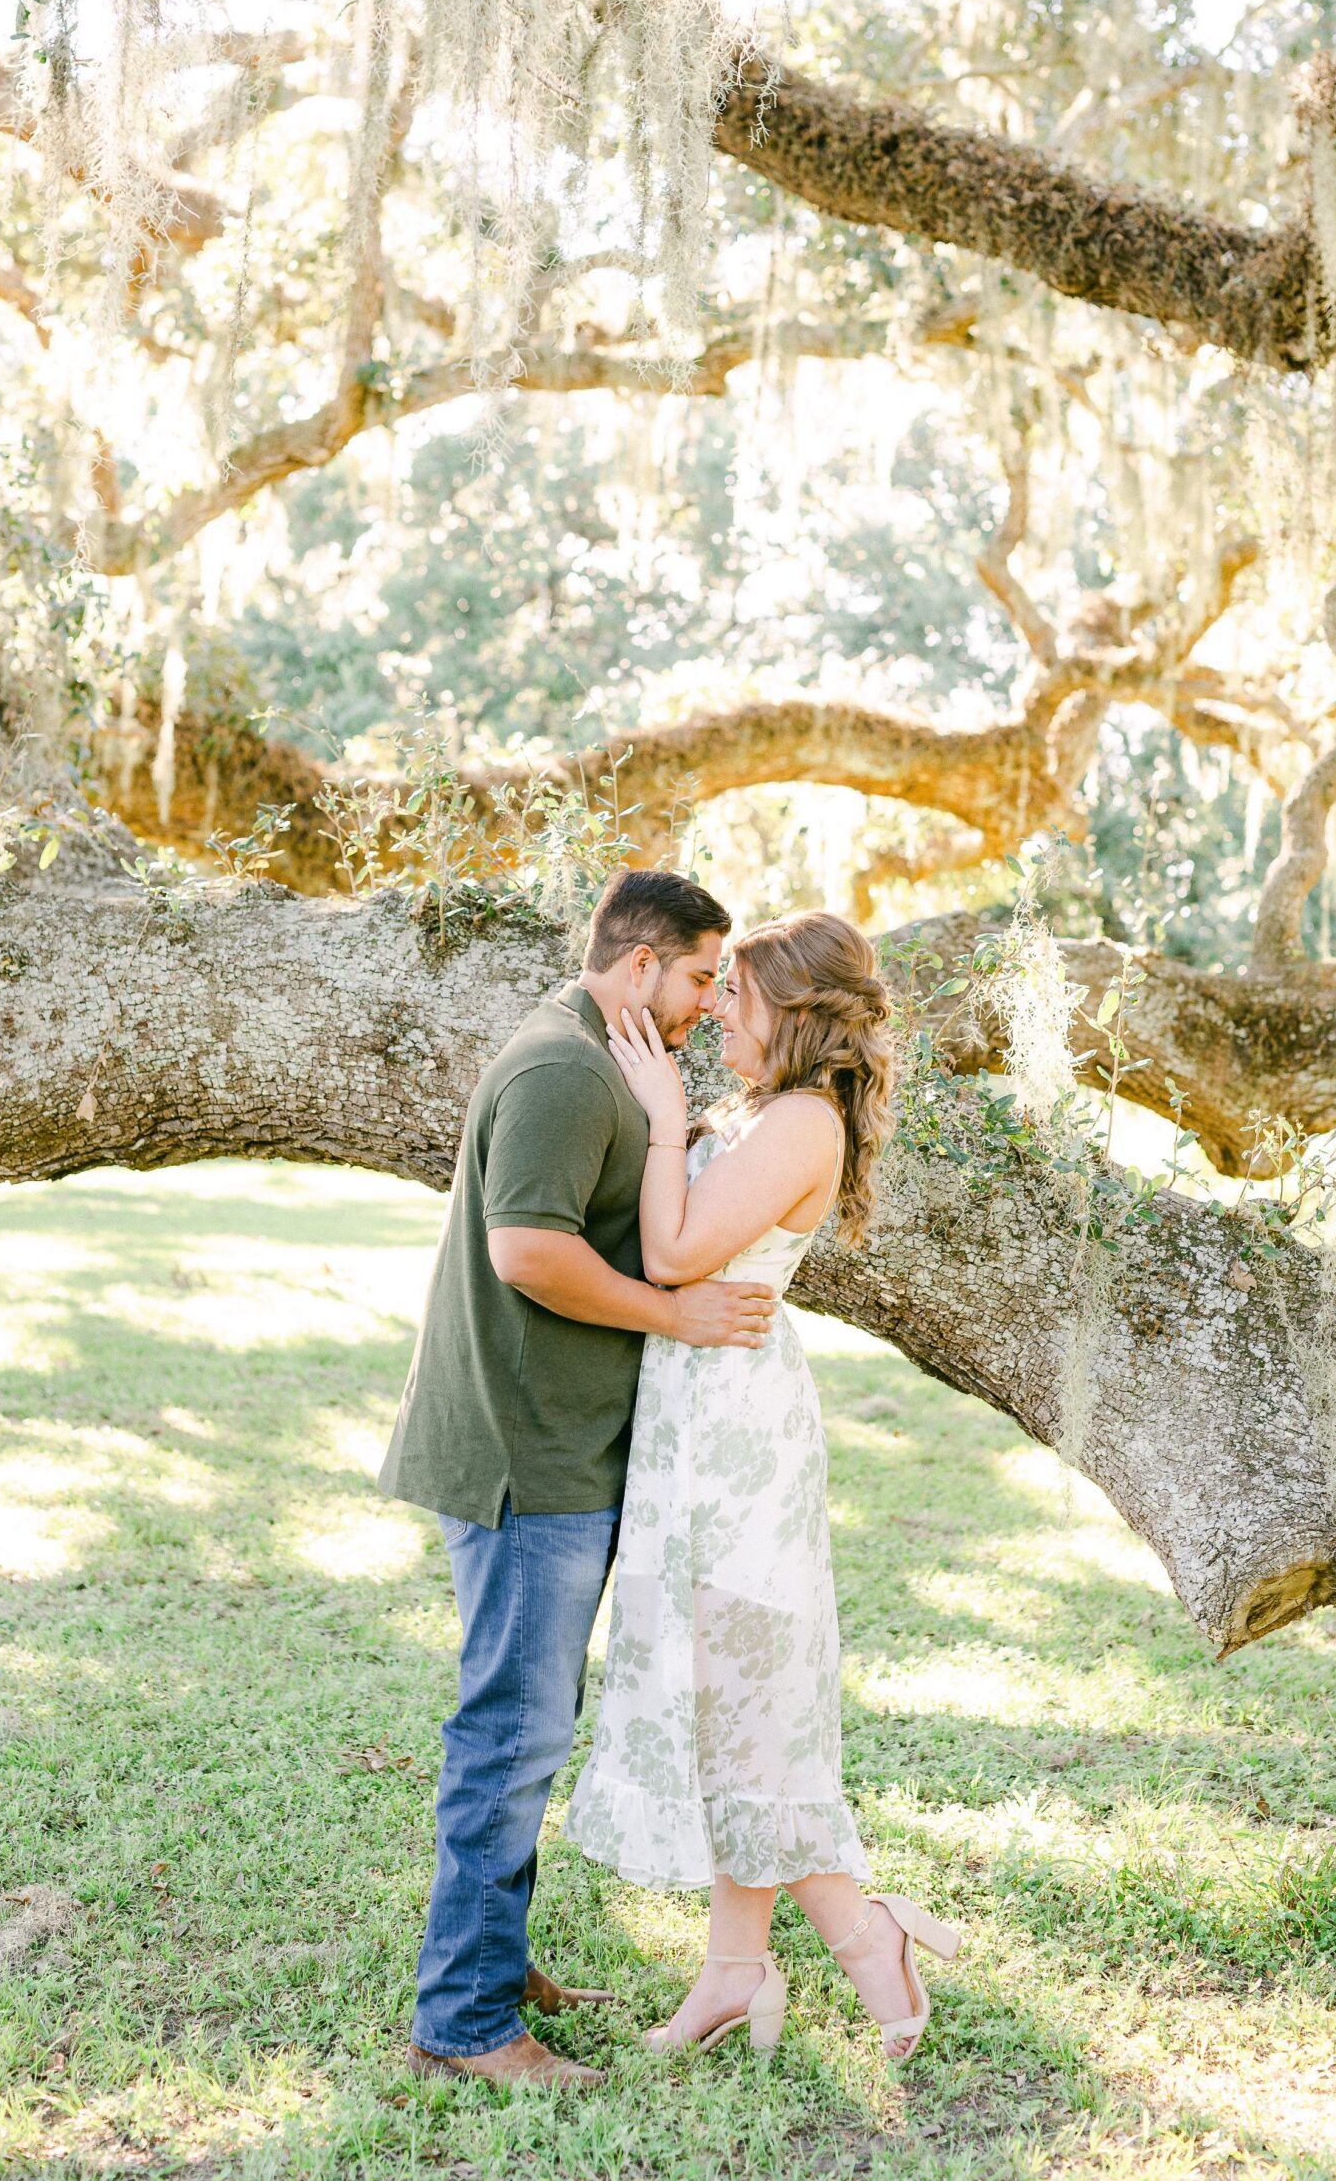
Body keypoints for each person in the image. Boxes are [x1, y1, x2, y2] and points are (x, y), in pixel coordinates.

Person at [378, 867, 778, 2091]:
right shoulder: (563, 1067)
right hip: (521, 1459)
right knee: (509, 1737)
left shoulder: (594, 1060)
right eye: (702, 976)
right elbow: (528, 1250)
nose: (711, 1003)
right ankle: (463, 2022)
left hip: (550, 1448)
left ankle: (492, 1962)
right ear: (639, 960)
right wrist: (676, 1313)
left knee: (524, 1729)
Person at [566, 909, 962, 2063]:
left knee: (741, 1699)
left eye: (732, 997)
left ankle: (858, 1929)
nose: (713, 1015)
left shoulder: (799, 1122)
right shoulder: (756, 1114)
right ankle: (736, 1970)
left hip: (735, 1434)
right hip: (691, 1418)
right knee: (715, 1697)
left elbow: (675, 1258)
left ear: (790, 1013)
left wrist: (651, 1128)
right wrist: (681, 1127)